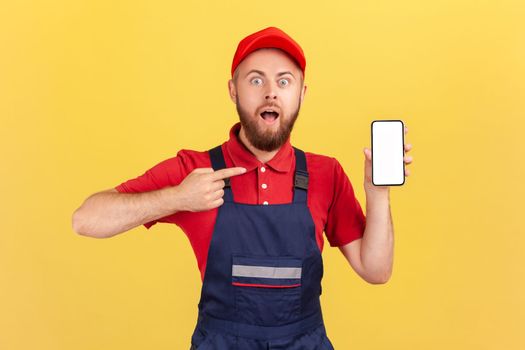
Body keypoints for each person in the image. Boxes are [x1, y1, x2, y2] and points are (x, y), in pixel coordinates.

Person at [72, 26, 414, 350]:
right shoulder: (195, 170)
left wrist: (377, 191)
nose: (271, 92)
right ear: (233, 89)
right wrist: (178, 197)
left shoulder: (326, 173)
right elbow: (86, 220)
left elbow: (376, 270)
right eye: (256, 80)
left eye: (284, 81)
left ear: (301, 94)